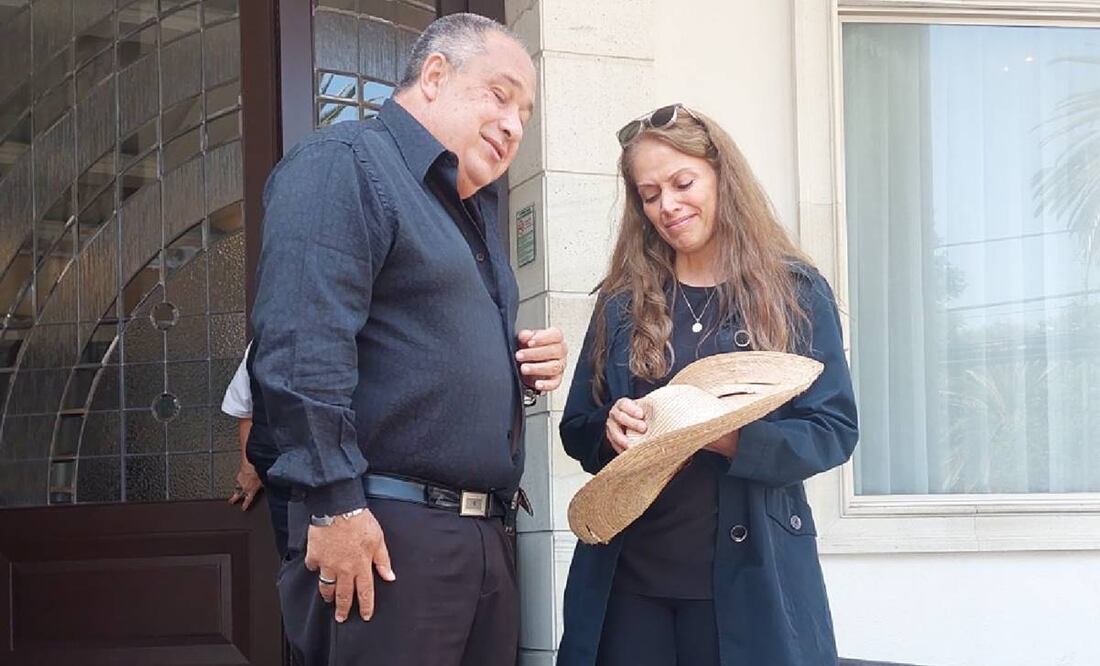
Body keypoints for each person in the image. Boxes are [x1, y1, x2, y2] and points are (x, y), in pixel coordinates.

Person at [249, 13, 567, 666]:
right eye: (500, 95)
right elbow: (300, 347)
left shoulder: (473, 212)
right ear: (434, 74)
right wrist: (335, 506)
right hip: (384, 532)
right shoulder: (347, 164)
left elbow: (411, 350)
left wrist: (514, 367)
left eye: (525, 113)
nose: (514, 124)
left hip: (480, 537)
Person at [556, 104, 859, 666]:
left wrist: (730, 439)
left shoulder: (794, 290)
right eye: (649, 195)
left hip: (753, 581)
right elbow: (578, 428)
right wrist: (610, 430)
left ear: (722, 175)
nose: (667, 206)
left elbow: (833, 429)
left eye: (682, 182)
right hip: (629, 581)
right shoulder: (622, 300)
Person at [222, 342, 291, 558]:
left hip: (366, 486)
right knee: (299, 562)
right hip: (287, 484)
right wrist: (249, 468)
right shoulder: (265, 341)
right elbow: (247, 408)